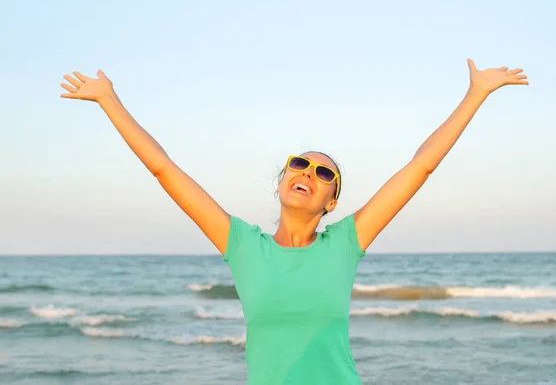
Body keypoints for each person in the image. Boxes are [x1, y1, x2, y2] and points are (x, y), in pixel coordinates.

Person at [59, 59, 528, 384]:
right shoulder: (242, 244)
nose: (308, 173)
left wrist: (475, 94)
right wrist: (109, 101)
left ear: (330, 202)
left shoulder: (346, 243)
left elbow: (420, 166)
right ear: (282, 181)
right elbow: (164, 169)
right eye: (298, 164)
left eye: (324, 173)